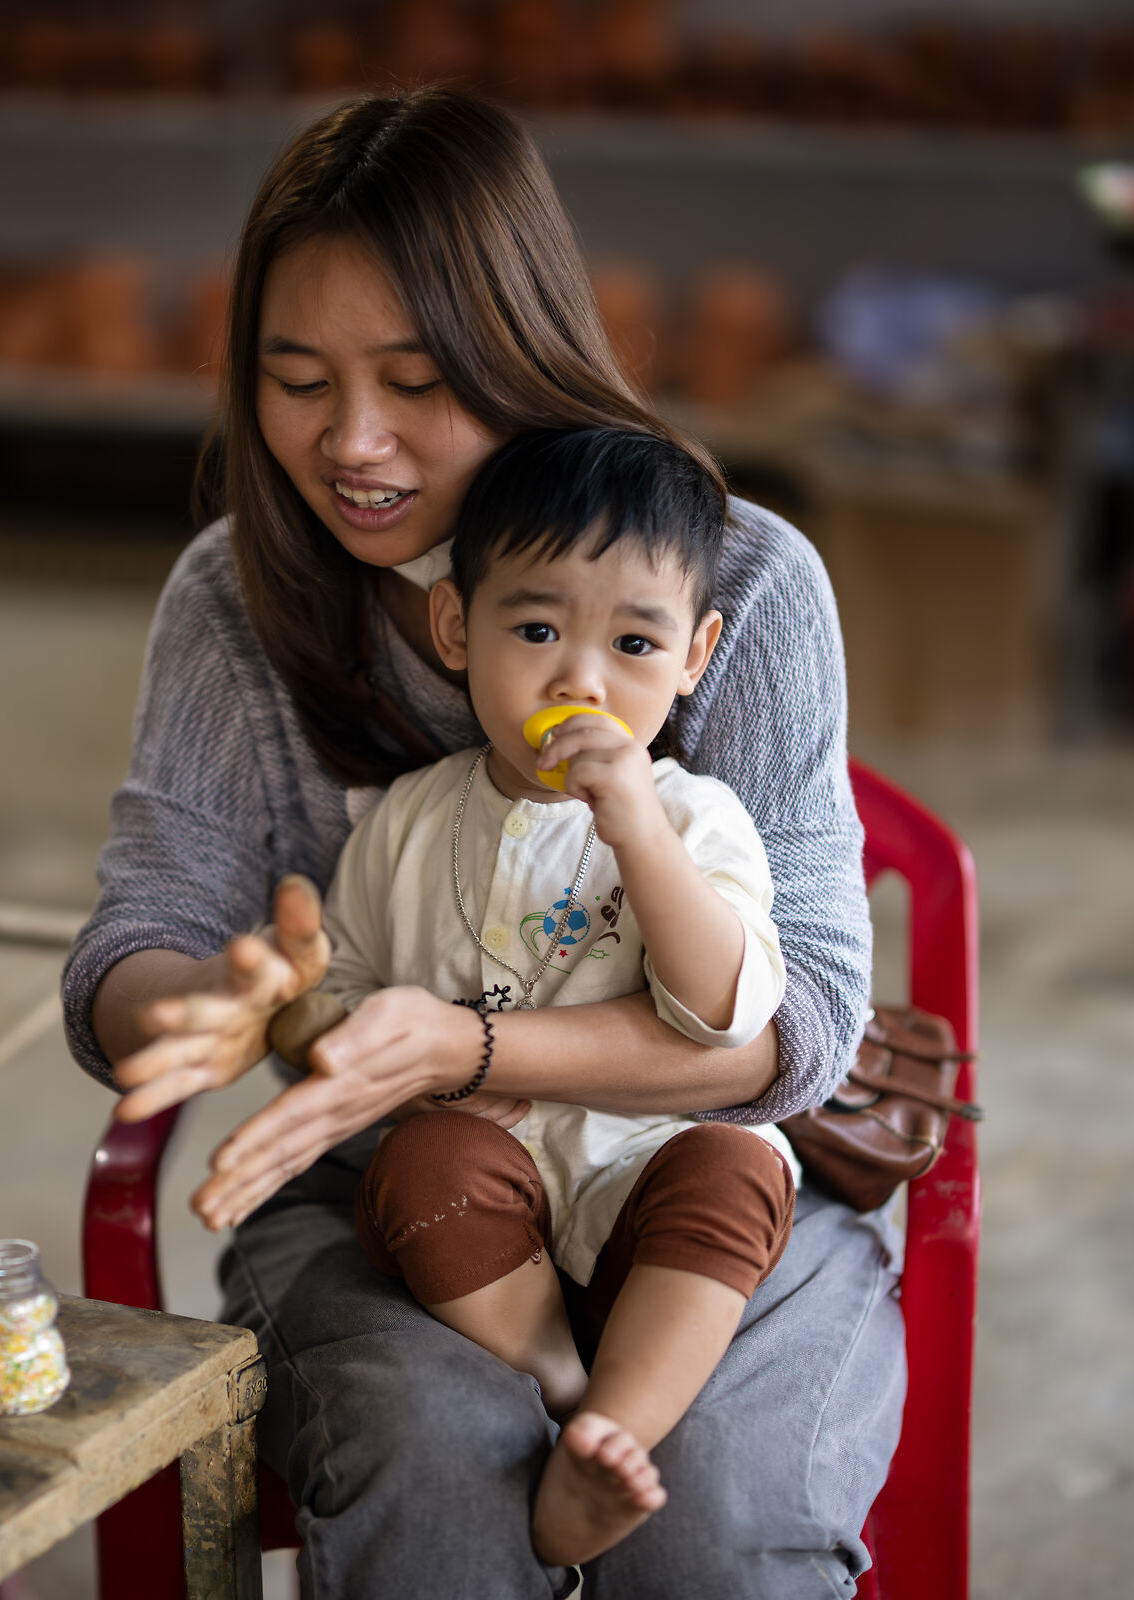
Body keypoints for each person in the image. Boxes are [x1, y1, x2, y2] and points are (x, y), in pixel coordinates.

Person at [67, 85, 901, 1598]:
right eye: (296, 378)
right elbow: (147, 933)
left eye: (416, 378)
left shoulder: (745, 582)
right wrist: (203, 1004)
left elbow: (793, 1041)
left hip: (708, 1176)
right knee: (439, 1473)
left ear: (522, 353)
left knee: (716, 1517)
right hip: (396, 1183)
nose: (356, 442)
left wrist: (459, 1045)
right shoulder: (230, 601)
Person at [325, 425, 803, 1569]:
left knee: (738, 1168)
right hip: (486, 1213)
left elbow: (724, 1012)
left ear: (697, 653)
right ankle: (563, 1391)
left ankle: (614, 1432)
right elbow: (343, 989)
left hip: (649, 1165)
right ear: (456, 628)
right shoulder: (406, 819)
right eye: (535, 628)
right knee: (416, 1171)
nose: (579, 679)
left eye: (634, 641)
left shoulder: (696, 820)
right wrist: (326, 1028)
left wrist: (635, 827)